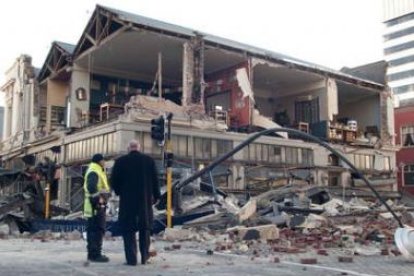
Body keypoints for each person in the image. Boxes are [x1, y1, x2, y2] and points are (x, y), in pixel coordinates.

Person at [111, 140, 160, 266]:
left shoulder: (120, 162)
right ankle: (144, 257)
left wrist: (119, 192)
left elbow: (114, 181)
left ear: (129, 148)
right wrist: (156, 195)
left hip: (127, 202)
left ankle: (131, 259)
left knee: (128, 230)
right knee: (145, 229)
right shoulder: (149, 161)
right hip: (144, 200)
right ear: (139, 148)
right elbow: (155, 180)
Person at [83, 153, 110, 262]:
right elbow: (91, 187)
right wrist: (98, 201)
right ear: (99, 161)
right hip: (95, 206)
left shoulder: (96, 170)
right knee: (97, 230)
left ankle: (92, 253)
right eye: (103, 160)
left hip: (95, 205)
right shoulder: (94, 171)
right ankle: (95, 254)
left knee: (94, 230)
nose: (105, 162)